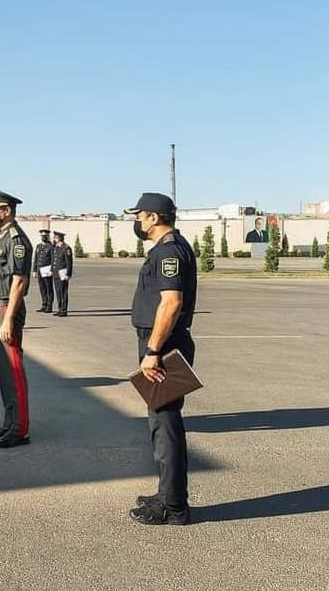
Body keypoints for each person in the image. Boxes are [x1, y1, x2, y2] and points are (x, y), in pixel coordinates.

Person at [125, 192, 197, 526]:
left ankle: (173, 506)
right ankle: (167, 493)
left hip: (164, 347)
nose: (137, 222)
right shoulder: (170, 247)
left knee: (165, 424)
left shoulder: (169, 251)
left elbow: (171, 302)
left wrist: (153, 351)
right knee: (161, 423)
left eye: (139, 216)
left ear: (153, 217)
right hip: (162, 344)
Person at [0, 188, 33, 449]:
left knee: (13, 369)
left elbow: (20, 281)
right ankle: (9, 421)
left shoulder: (16, 240)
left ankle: (20, 429)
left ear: (7, 210)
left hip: (4, 307)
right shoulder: (0, 236)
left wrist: (9, 318)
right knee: (4, 370)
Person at [51, 231, 74, 317]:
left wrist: (68, 274)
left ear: (59, 238)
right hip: (56, 273)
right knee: (58, 292)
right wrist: (52, 270)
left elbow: (69, 262)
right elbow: (54, 260)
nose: (54, 239)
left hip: (63, 273)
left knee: (63, 292)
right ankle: (59, 308)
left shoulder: (66, 248)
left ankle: (64, 310)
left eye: (55, 238)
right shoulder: (56, 248)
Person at [32, 229, 54, 313]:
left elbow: (53, 259)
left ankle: (49, 306)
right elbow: (36, 259)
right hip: (39, 270)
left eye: (45, 236)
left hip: (47, 270)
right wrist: (34, 270)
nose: (43, 237)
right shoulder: (38, 246)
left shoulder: (51, 246)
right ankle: (44, 304)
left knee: (49, 288)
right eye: (42, 236)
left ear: (47, 236)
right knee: (42, 288)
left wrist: (52, 270)